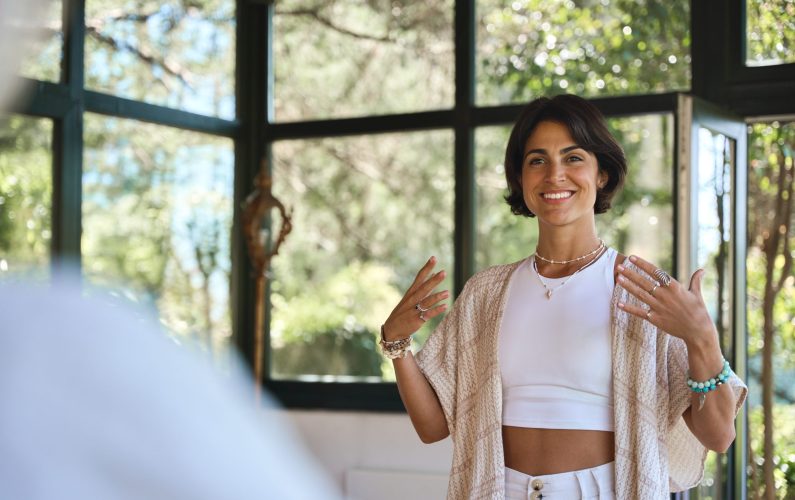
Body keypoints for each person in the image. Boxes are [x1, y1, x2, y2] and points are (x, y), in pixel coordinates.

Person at [379, 94, 747, 499]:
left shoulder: (644, 290)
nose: (554, 174)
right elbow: (433, 427)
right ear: (520, 178)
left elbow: (719, 435)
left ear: (602, 173)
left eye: (573, 158)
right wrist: (398, 345)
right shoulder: (486, 293)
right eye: (537, 160)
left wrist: (701, 339)